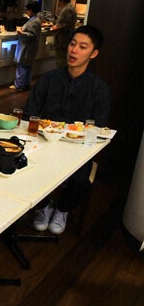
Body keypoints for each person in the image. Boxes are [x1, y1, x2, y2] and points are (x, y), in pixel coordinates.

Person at [25, 25, 109, 234]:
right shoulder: (48, 79)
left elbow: (97, 128)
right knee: (24, 166)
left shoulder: (99, 88)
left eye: (82, 47)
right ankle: (43, 207)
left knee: (81, 180)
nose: (74, 50)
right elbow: (29, 115)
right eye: (72, 44)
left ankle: (62, 209)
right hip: (44, 143)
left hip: (77, 149)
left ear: (94, 53)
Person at [10, 1, 42, 91]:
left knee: (22, 66)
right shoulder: (35, 20)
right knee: (27, 67)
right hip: (30, 48)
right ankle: (25, 84)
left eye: (27, 10)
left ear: (31, 10)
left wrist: (21, 33)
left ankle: (19, 85)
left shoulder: (34, 21)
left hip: (27, 47)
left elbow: (32, 35)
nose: (26, 11)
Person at [51, 0, 78, 68]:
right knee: (64, 60)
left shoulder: (67, 9)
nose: (58, 3)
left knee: (60, 61)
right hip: (68, 38)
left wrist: (56, 27)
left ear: (62, 1)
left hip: (63, 39)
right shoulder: (72, 8)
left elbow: (64, 25)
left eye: (59, 1)